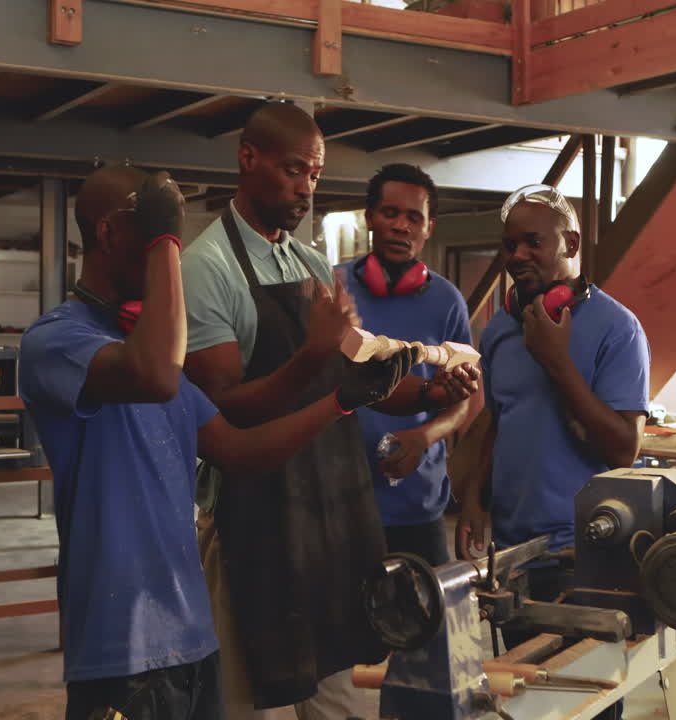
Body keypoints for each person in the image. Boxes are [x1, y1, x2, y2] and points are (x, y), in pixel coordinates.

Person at [19, 166, 413, 720]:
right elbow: (154, 375)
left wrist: (341, 402)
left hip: (192, 630)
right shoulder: (59, 341)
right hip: (120, 640)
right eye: (158, 238)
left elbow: (237, 449)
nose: (172, 260)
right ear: (109, 235)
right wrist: (169, 237)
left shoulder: (151, 348)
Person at [182, 102, 479, 719]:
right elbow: (223, 413)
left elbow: (355, 374)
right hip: (250, 523)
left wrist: (430, 394)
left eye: (314, 175)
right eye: (294, 170)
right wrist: (310, 354)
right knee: (253, 698)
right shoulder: (206, 268)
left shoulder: (308, 262)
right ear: (248, 159)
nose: (305, 187)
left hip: (324, 514)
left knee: (338, 696)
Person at [456, 184, 650, 719]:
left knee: (584, 703)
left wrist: (558, 362)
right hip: (515, 553)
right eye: (509, 245)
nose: (516, 256)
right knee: (522, 703)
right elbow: (496, 417)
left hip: (585, 555)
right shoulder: (500, 328)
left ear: (571, 240)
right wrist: (474, 498)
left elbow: (623, 449)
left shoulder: (618, 329)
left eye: (532, 243)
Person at [336, 163, 484, 568]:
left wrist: (424, 435)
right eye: (390, 213)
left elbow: (464, 400)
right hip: (337, 504)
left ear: (429, 227)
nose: (401, 226)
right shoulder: (333, 289)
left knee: (422, 626)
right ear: (369, 217)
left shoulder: (448, 302)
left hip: (417, 508)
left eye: (413, 217)